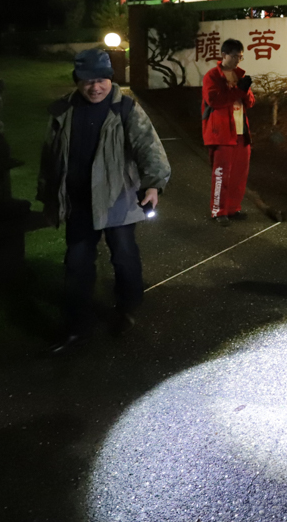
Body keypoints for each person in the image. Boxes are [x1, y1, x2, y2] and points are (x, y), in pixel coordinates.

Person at [38, 49, 171, 353]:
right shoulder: (63, 110)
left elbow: (148, 146)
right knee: (77, 263)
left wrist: (153, 185)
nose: (95, 87)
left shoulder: (125, 108)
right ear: (77, 80)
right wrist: (48, 196)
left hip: (118, 199)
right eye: (87, 81)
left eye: (101, 80)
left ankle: (127, 309)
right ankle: (77, 326)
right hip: (78, 202)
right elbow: (50, 157)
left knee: (124, 257)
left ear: (110, 79)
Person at [201, 39, 256, 224]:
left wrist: (245, 91)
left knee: (239, 174)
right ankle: (218, 211)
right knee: (221, 175)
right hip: (222, 133)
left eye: (240, 57)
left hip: (241, 132)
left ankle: (233, 208)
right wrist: (239, 91)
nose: (237, 61)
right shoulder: (212, 76)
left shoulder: (239, 75)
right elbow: (215, 100)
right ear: (223, 55)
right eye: (234, 56)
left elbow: (250, 103)